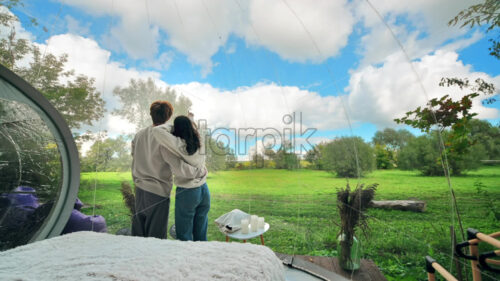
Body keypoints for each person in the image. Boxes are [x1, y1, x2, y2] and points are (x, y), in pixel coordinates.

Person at [131, 101, 205, 239]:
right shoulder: (166, 138)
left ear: (151, 114)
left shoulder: (139, 135)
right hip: (157, 192)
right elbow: (178, 167)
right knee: (156, 238)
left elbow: (134, 155)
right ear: (169, 116)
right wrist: (199, 172)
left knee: (138, 235)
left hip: (139, 189)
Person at [152, 115, 209, 241]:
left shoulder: (176, 145)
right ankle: (202, 258)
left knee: (184, 234)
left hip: (188, 192)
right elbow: (195, 129)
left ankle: (186, 260)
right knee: (201, 233)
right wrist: (190, 121)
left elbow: (156, 130)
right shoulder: (200, 141)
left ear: (176, 129)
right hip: (204, 190)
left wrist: (172, 126)